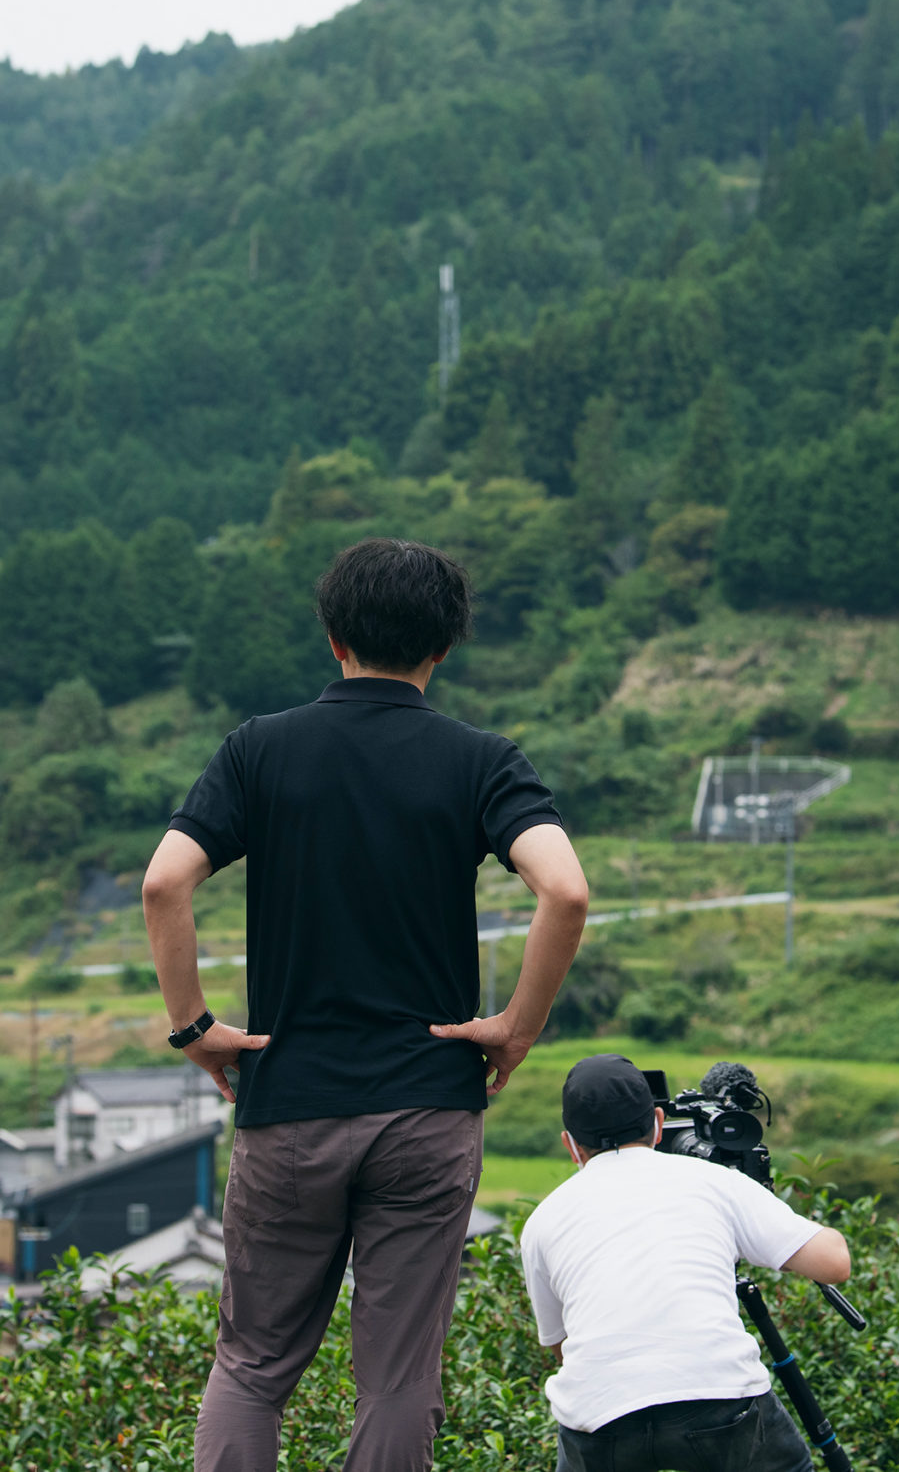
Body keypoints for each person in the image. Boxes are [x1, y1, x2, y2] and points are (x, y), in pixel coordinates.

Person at [141, 536, 591, 1472]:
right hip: (428, 1105)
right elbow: (567, 890)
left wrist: (194, 1026)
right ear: (444, 648)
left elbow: (163, 883)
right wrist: (517, 1025)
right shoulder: (480, 760)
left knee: (254, 1362)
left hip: (290, 1100)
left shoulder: (259, 749)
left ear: (335, 637)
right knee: (394, 1378)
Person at [518, 1055, 852, 1472]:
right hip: (720, 1402)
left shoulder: (542, 1221)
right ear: (658, 1123)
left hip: (599, 1420)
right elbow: (834, 1263)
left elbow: (560, 1347)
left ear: (570, 1145)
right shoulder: (712, 1182)